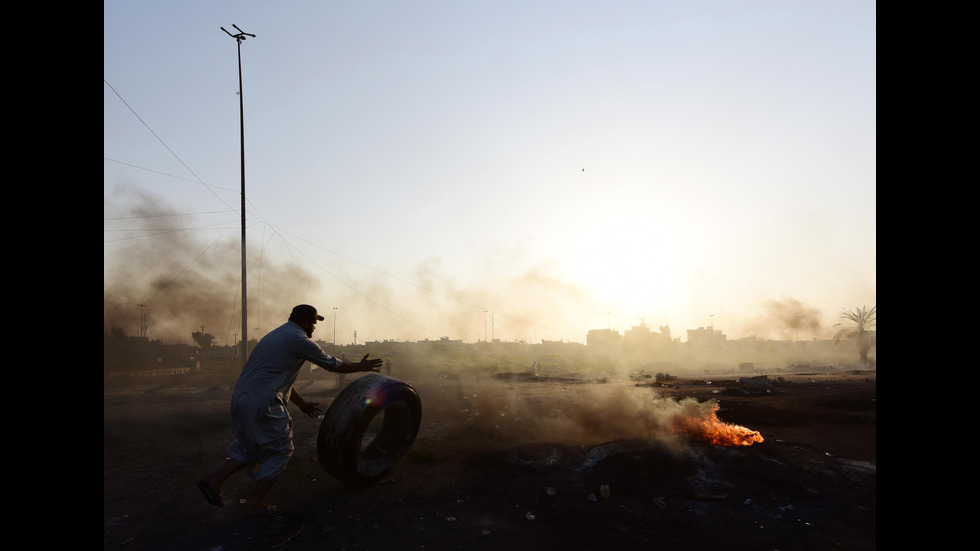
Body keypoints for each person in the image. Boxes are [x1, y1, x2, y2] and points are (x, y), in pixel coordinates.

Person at [198, 304, 383, 516]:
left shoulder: (276, 336)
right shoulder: (299, 340)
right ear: (304, 322)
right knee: (281, 449)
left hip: (243, 398)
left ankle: (214, 479)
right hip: (262, 402)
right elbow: (333, 364)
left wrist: (302, 404)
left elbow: (281, 377)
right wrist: (361, 367)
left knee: (252, 445)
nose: (314, 326)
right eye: (313, 322)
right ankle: (256, 504)